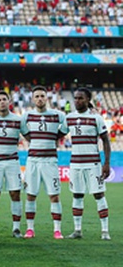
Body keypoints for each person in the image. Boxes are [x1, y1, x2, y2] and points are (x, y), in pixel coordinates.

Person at [59, 88, 111, 240]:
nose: (77, 101)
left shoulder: (96, 118)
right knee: (77, 195)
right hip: (75, 164)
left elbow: (106, 141)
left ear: (88, 99)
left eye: (80, 98)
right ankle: (77, 230)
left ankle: (105, 231)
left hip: (93, 163)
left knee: (99, 194)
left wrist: (106, 163)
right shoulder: (69, 118)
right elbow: (58, 134)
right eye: (75, 98)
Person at [21, 86, 66, 239]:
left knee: (54, 196)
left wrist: (54, 137)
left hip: (50, 161)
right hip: (33, 161)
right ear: (33, 99)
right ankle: (30, 229)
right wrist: (32, 140)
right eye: (37, 96)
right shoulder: (27, 116)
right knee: (30, 195)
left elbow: (66, 127)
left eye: (42, 96)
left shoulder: (57, 115)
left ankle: (57, 230)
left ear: (46, 98)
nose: (40, 99)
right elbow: (23, 130)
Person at [0, 91, 27, 238]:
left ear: (9, 101)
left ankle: (16, 229)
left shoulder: (18, 120)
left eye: (4, 99)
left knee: (15, 193)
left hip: (12, 162)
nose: (2, 102)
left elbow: (28, 136)